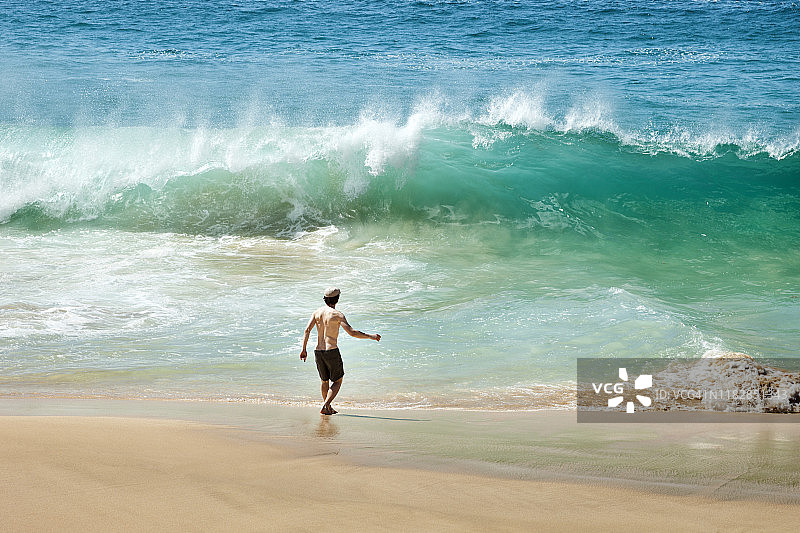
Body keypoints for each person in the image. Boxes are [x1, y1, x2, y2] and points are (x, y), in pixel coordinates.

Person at [300, 288, 380, 415]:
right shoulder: (337, 315)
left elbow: (306, 330)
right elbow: (352, 332)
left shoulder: (316, 313)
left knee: (324, 381)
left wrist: (304, 349)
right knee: (338, 380)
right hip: (331, 351)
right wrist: (371, 336)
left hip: (318, 352)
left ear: (325, 299)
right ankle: (325, 404)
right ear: (337, 299)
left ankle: (328, 407)